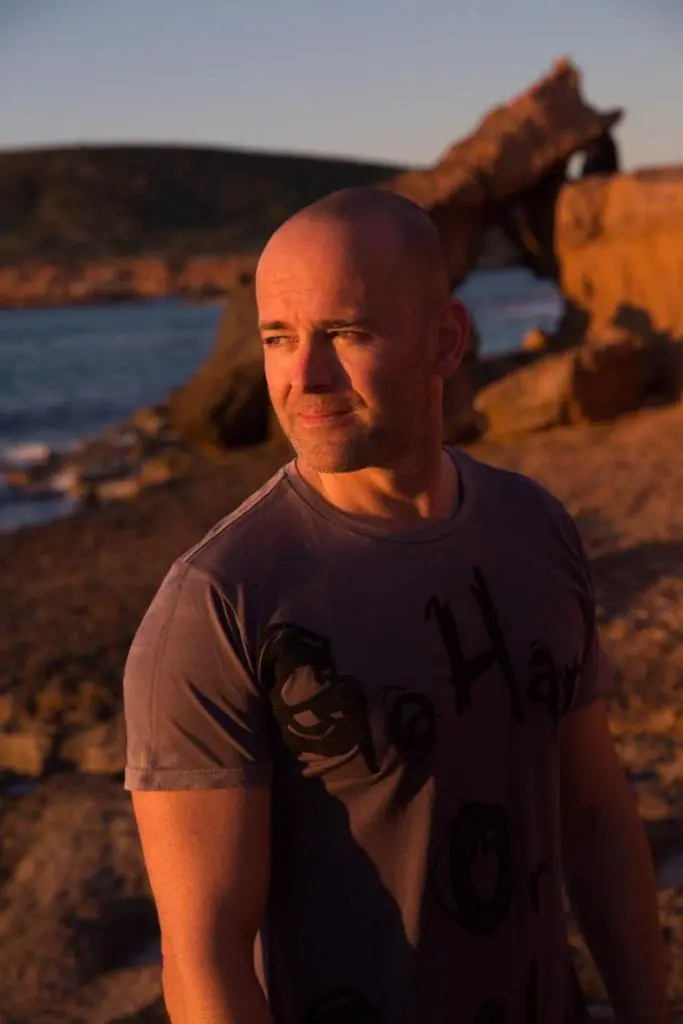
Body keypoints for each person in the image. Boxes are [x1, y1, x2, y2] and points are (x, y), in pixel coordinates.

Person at [123, 188, 668, 1024]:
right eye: (278, 338)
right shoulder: (219, 605)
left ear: (445, 339)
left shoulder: (534, 528)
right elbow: (206, 959)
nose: (302, 376)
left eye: (344, 334)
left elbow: (593, 814)